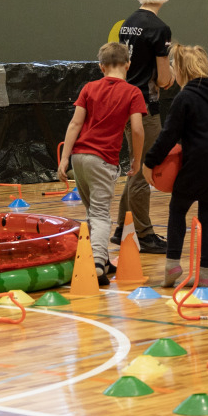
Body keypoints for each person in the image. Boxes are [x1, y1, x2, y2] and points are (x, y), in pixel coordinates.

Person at [143, 43, 208, 288]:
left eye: (174, 65)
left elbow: (168, 135)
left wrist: (148, 162)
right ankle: (205, 276)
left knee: (177, 209)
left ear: (182, 69)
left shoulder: (185, 96)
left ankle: (172, 264)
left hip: (198, 161)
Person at [56, 42, 147, 286]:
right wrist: (137, 159)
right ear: (128, 65)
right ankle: (96, 262)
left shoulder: (89, 88)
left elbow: (75, 124)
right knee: (100, 214)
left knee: (92, 212)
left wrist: (65, 158)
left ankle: (103, 261)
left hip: (79, 158)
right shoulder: (133, 92)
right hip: (102, 160)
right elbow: (137, 129)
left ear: (101, 67)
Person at [113, 0, 174, 256]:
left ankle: (119, 228)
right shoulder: (160, 29)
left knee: (135, 166)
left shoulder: (128, 22)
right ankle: (144, 233)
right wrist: (173, 75)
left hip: (123, 101)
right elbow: (162, 79)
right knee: (143, 171)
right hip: (145, 106)